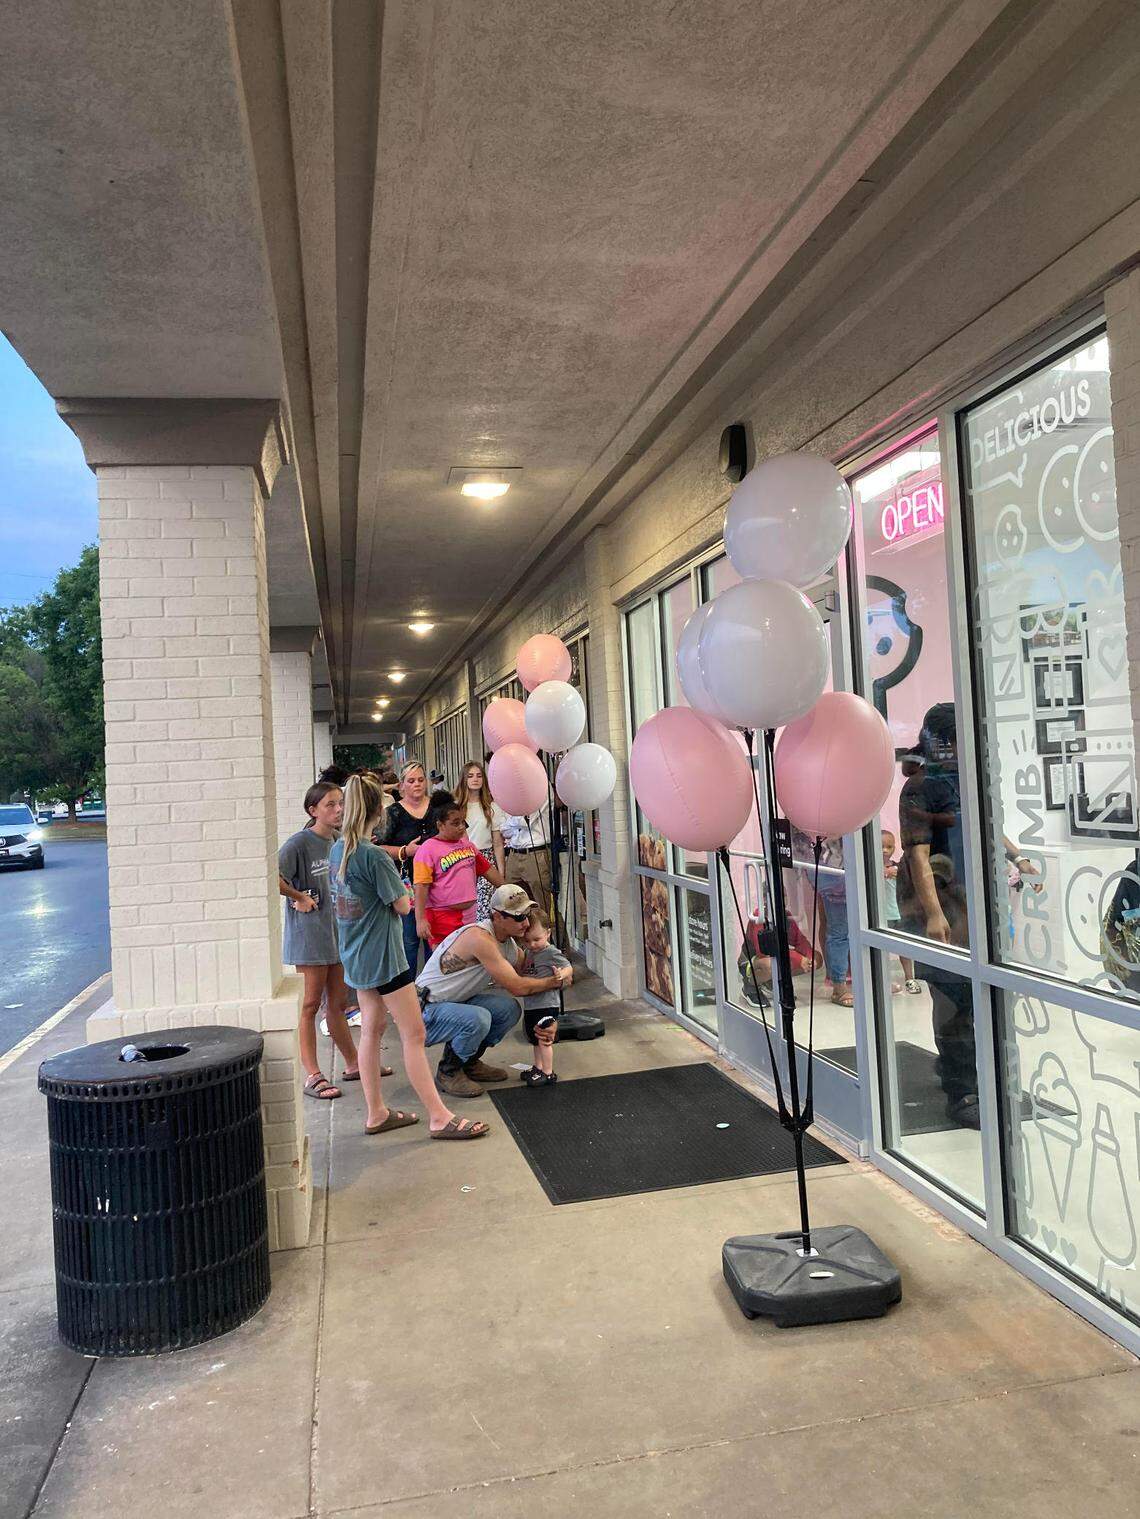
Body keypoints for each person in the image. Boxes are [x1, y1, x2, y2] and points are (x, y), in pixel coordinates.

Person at [331, 773, 488, 1140]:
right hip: (385, 956)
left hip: (354, 954)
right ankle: (438, 1116)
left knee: (371, 1029)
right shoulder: (372, 856)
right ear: (377, 812)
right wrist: (405, 888)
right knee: (414, 1034)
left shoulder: (339, 850)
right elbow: (402, 906)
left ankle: (376, 1112)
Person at [416, 884, 572, 1097]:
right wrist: (554, 982)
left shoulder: (506, 944)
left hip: (452, 1004)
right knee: (478, 1018)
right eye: (518, 917)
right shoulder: (480, 938)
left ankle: (468, 1062)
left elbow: (532, 970)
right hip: (423, 1012)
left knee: (507, 1009)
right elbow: (518, 986)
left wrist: (561, 980)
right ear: (498, 917)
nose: (526, 923)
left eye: (526, 915)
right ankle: (449, 1071)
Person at [278, 781, 360, 1102]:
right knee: (310, 1005)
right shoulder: (298, 844)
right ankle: (312, 1074)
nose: (338, 809)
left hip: (336, 935)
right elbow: (273, 877)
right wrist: (298, 896)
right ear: (313, 811)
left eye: (340, 803)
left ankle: (354, 1063)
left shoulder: (339, 841)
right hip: (308, 937)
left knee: (337, 1004)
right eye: (330, 805)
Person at [413, 797, 505, 947]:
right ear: (440, 825)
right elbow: (421, 887)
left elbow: (488, 871)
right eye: (455, 823)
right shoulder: (427, 849)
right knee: (445, 964)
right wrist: (420, 919)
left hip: (469, 916)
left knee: (467, 962)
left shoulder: (468, 846)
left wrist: (509, 889)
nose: (461, 827)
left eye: (463, 822)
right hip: (441, 918)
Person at [378, 761, 439, 976]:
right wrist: (405, 851)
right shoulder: (392, 812)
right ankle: (409, 991)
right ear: (402, 785)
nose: (417, 785)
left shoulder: (438, 806)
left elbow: (458, 834)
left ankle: (434, 988)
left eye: (421, 780)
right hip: (407, 883)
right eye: (411, 781)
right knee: (410, 939)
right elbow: (378, 848)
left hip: (438, 882)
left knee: (435, 938)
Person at [519, 907, 572, 1086]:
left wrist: (560, 976)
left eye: (536, 939)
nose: (532, 944)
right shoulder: (528, 953)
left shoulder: (551, 952)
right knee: (535, 1039)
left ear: (548, 934)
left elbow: (568, 967)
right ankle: (538, 1067)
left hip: (546, 1004)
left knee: (544, 1040)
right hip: (531, 1004)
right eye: (527, 940)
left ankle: (548, 1072)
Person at [454, 759, 508, 919]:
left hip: (486, 858)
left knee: (484, 908)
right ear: (464, 779)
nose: (475, 779)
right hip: (463, 859)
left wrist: (501, 872)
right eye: (470, 776)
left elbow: (497, 843)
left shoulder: (492, 807)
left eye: (479, 775)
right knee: (467, 908)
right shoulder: (456, 807)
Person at [502, 800, 564, 938]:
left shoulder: (539, 789)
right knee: (512, 903)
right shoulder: (509, 792)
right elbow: (503, 829)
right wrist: (515, 821)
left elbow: (526, 821)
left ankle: (556, 947)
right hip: (514, 853)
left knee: (543, 904)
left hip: (537, 852)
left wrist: (511, 820)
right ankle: (525, 948)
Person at [737, 910, 821, 1007]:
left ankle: (769, 983)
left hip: (771, 957)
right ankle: (750, 987)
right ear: (764, 898)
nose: (783, 898)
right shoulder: (759, 917)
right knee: (769, 965)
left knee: (817, 958)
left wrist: (810, 958)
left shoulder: (786, 915)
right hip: (752, 961)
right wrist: (798, 959)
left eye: (784, 895)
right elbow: (763, 952)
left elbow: (800, 941)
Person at [881, 829, 919, 994]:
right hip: (883, 915)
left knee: (905, 947)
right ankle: (883, 980)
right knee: (882, 950)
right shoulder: (871, 869)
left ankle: (909, 978)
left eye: (889, 846)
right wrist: (882, 873)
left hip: (899, 913)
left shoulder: (898, 868)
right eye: (881, 846)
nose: (885, 850)